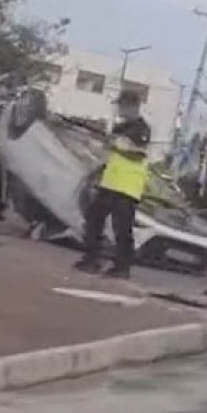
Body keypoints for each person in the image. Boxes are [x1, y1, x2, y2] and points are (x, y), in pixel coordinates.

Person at [74, 90, 151, 279]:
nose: (119, 109)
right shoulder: (120, 128)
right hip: (111, 182)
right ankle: (92, 259)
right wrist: (96, 173)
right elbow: (111, 155)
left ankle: (122, 267)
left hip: (128, 186)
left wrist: (117, 145)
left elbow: (138, 154)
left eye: (122, 105)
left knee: (122, 228)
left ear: (132, 106)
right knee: (93, 218)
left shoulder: (141, 129)